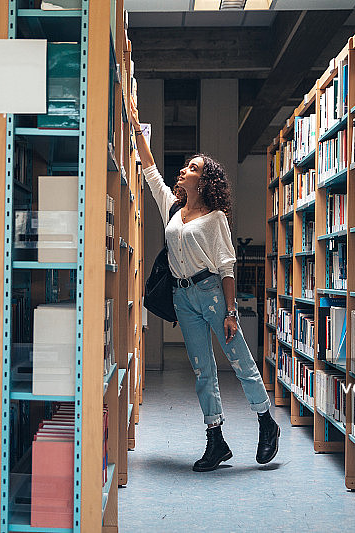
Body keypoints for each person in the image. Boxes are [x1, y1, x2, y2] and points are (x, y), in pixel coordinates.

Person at [130, 102, 280, 472]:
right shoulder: (172, 208)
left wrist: (231, 312)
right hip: (182, 298)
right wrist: (135, 127)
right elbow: (150, 172)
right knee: (202, 370)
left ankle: (266, 422)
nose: (183, 170)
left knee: (240, 360)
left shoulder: (215, 219)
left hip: (212, 294)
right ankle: (216, 440)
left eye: (192, 168)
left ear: (204, 181)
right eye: (186, 167)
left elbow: (227, 266)